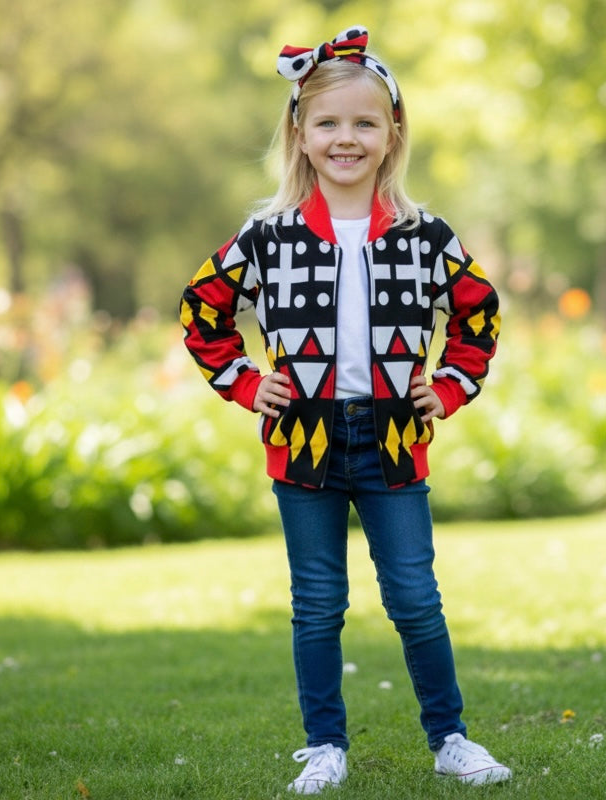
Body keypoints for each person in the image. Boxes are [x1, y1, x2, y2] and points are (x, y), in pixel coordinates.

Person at [179, 25, 509, 794]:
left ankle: (450, 737)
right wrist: (240, 381)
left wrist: (451, 385)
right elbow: (202, 310)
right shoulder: (268, 236)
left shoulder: (426, 236)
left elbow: (479, 314)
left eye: (364, 123)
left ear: (392, 134)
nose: (346, 138)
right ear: (299, 133)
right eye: (327, 123)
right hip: (301, 442)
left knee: (415, 599)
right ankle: (324, 744)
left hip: (394, 439)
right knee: (317, 604)